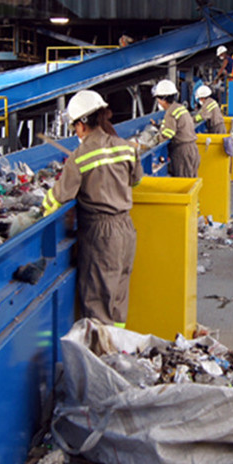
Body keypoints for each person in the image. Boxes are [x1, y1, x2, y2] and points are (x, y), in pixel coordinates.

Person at [41, 89, 143, 326]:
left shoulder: (79, 157)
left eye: (74, 125)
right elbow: (136, 181)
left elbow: (58, 198)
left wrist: (38, 210)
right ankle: (116, 352)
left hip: (100, 235)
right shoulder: (127, 148)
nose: (75, 131)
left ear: (82, 124)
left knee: (98, 302)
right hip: (126, 229)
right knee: (118, 297)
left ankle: (99, 357)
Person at [153, 78, 200, 177]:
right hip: (192, 149)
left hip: (182, 152)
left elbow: (167, 135)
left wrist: (154, 140)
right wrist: (158, 126)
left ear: (163, 99)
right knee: (191, 180)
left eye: (158, 99)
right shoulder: (180, 108)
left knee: (184, 182)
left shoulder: (170, 113)